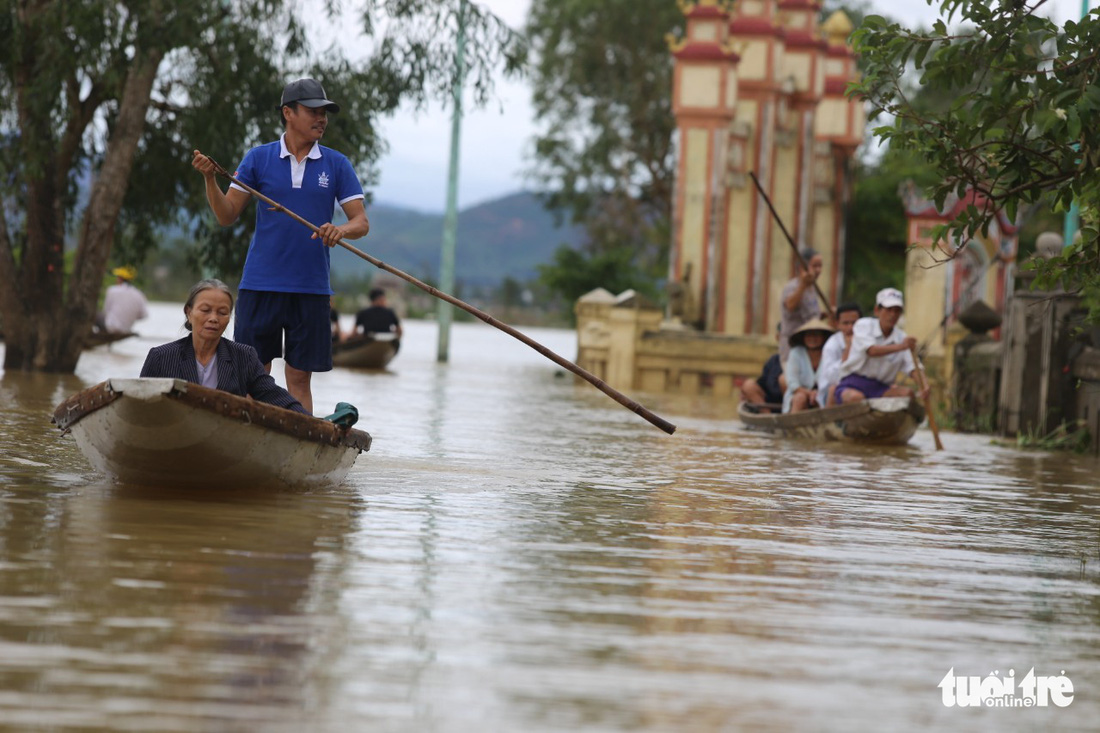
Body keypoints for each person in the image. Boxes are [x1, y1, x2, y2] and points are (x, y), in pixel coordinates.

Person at [191, 78, 370, 414]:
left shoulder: (336, 164)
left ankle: (298, 438)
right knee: (253, 372)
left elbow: (361, 222)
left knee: (299, 376)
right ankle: (248, 438)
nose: (321, 119)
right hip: (261, 283)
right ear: (288, 113)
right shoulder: (259, 159)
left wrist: (340, 230)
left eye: (325, 113)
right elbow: (227, 214)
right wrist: (210, 179)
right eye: (313, 111)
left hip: (311, 288)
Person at [140, 279, 309, 414]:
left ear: (229, 317)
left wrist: (310, 420)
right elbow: (139, 404)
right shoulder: (161, 357)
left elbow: (275, 397)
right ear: (188, 312)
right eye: (205, 310)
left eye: (222, 312)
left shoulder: (244, 357)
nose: (214, 318)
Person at [834, 287, 931, 405]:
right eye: (889, 309)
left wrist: (923, 385)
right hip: (853, 382)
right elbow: (872, 351)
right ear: (877, 310)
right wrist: (902, 346)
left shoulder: (901, 337)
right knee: (855, 397)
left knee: (907, 394)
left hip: (881, 388)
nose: (893, 314)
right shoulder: (863, 325)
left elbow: (913, 367)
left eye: (897, 311)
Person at [778, 248, 824, 367]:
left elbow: (811, 316)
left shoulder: (813, 289)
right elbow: (790, 306)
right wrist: (803, 285)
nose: (818, 270)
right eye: (815, 266)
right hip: (792, 345)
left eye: (820, 266)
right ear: (802, 268)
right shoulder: (793, 287)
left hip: (810, 347)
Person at [782, 318, 835, 413]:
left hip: (824, 395)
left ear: (823, 337)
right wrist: (810, 393)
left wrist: (818, 395)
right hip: (799, 394)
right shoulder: (796, 353)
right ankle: (792, 426)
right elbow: (793, 384)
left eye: (817, 335)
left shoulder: (830, 352)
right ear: (804, 337)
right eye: (809, 335)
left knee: (833, 393)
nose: (813, 338)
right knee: (800, 398)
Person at [818, 302, 862, 407]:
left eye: (854, 323)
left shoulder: (868, 341)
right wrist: (847, 351)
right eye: (845, 323)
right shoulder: (832, 344)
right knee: (834, 389)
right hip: (830, 393)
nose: (850, 327)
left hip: (859, 387)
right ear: (838, 324)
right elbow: (831, 378)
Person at [740, 323, 787, 412]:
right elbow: (762, 383)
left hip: (792, 402)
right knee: (748, 385)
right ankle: (767, 417)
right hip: (770, 404)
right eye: (783, 337)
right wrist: (746, 393)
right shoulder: (773, 361)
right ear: (778, 337)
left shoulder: (801, 359)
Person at [95, 266, 148, 335]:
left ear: (120, 278)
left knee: (93, 313)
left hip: (110, 327)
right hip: (126, 329)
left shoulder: (112, 290)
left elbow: (106, 310)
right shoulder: (139, 294)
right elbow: (143, 315)